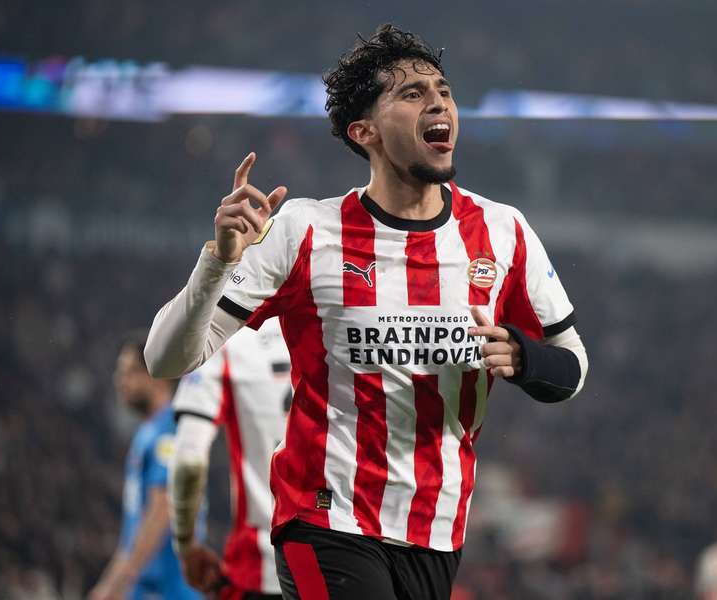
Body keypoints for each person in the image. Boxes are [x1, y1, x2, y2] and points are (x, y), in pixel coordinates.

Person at [144, 24, 589, 600]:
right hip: (320, 519)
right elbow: (164, 359)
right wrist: (217, 262)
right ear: (365, 132)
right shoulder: (304, 230)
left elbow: (573, 365)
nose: (438, 102)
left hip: (436, 528)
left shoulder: (503, 233)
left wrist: (527, 358)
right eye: (411, 94)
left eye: (443, 90)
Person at [170, 321, 291, 599]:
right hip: (349, 556)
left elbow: (189, 458)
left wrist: (186, 545)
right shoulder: (343, 326)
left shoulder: (224, 341)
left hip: (262, 567)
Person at [90, 332, 200, 600]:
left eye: (130, 372)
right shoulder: (150, 431)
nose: (120, 381)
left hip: (167, 589)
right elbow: (135, 528)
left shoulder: (168, 430)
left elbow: (162, 509)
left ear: (156, 376)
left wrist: (120, 582)